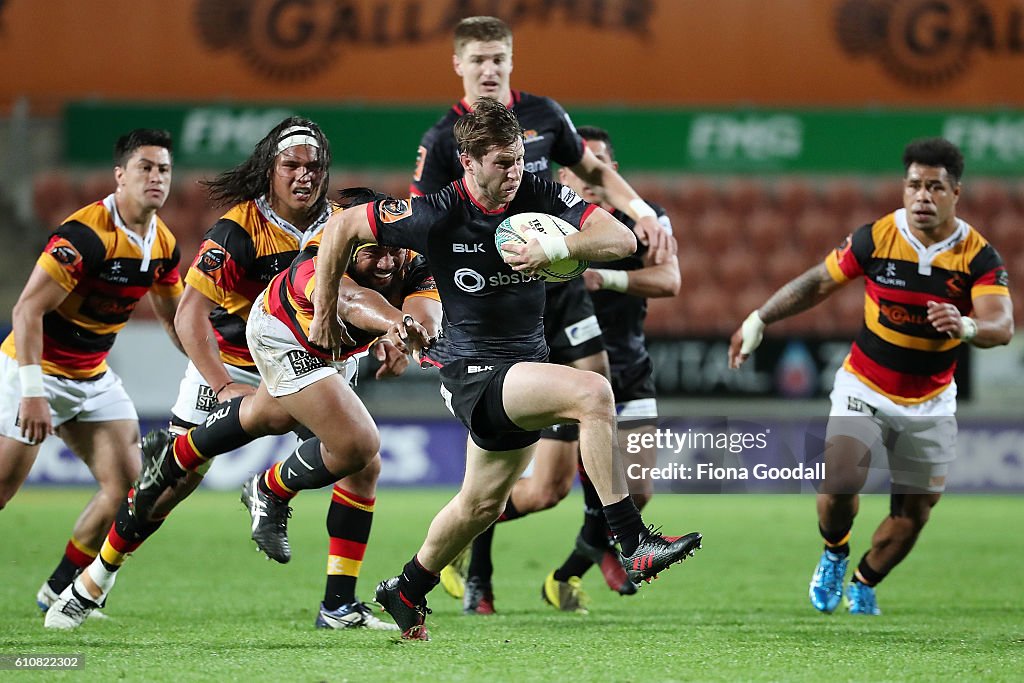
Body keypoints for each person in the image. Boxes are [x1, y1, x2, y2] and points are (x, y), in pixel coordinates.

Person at [313, 98, 701, 640]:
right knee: (593, 394)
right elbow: (344, 228)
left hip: (523, 368)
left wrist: (557, 247)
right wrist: (323, 310)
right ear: (468, 162)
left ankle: (405, 589)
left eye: (519, 158)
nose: (516, 171)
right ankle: (633, 543)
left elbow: (622, 239)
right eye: (502, 162)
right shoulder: (437, 213)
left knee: (479, 505)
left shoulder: (539, 194)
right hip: (475, 373)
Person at [44, 199, 440, 631]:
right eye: (372, 250)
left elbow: (422, 312)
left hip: (319, 355)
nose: (386, 260)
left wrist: (409, 336)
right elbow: (193, 311)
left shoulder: (402, 253)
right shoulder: (259, 234)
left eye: (392, 250)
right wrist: (220, 384)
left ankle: (338, 606)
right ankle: (94, 579)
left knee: (360, 464)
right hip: (252, 347)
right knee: (351, 445)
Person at [412, 14, 676, 615]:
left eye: (499, 58)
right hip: (491, 307)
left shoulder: (547, 117)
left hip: (560, 286)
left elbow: (594, 174)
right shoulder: (442, 140)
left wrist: (643, 214)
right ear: (458, 64)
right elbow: (422, 230)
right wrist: (424, 310)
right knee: (517, 476)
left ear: (511, 59)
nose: (489, 69)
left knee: (588, 408)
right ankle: (477, 565)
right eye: (477, 59)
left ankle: (605, 543)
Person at [728, 137, 1013, 616]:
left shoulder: (979, 258)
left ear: (956, 193)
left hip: (930, 400)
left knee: (914, 515)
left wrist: (966, 326)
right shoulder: (877, 236)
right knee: (838, 481)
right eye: (914, 185)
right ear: (904, 189)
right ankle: (835, 552)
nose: (923, 196)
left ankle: (865, 580)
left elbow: (1000, 326)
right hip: (864, 385)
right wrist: (759, 318)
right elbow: (818, 281)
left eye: (935, 187)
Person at [0, 129, 183, 618]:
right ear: (120, 176)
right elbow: (26, 311)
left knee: (130, 489)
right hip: (31, 369)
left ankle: (60, 589)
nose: (156, 178)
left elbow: (174, 318)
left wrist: (217, 372)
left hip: (92, 377)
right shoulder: (84, 236)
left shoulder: (163, 243)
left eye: (163, 169)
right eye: (145, 168)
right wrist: (34, 394)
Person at [541, 125, 680, 612]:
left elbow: (671, 279)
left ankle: (566, 574)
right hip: (564, 369)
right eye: (577, 166)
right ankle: (471, 547)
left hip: (627, 367)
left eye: (596, 164)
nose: (587, 175)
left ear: (611, 171)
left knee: (637, 489)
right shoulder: (546, 221)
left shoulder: (645, 221)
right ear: (562, 174)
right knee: (545, 490)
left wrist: (609, 277)